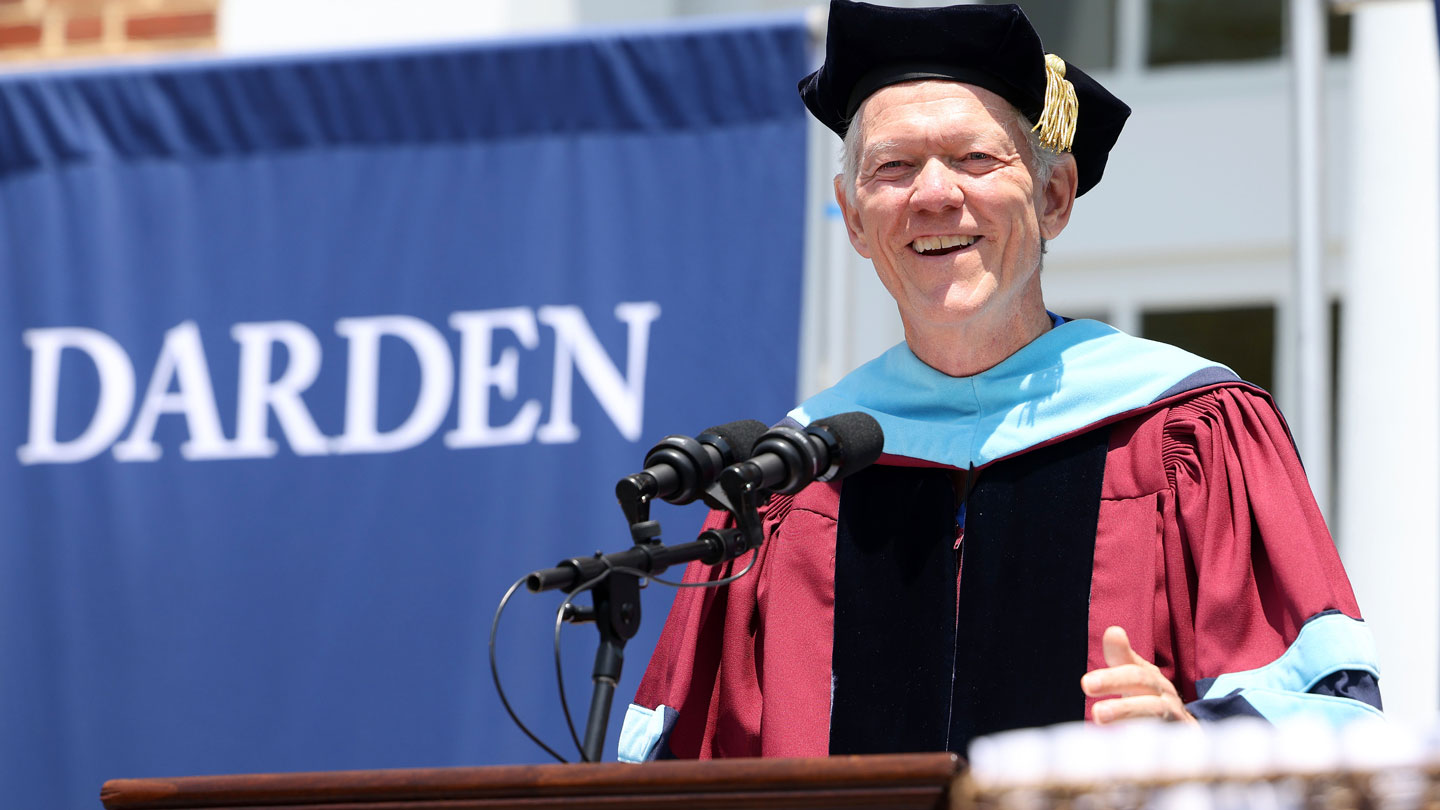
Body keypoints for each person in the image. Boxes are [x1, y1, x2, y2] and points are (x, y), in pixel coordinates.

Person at [618, 0, 1382, 762]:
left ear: (1053, 197)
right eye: (893, 167)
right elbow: (694, 756)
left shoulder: (1187, 431)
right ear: (853, 217)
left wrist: (1197, 741)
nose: (934, 195)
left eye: (975, 159)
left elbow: (1328, 721)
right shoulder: (792, 483)